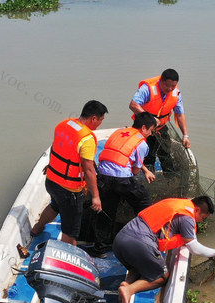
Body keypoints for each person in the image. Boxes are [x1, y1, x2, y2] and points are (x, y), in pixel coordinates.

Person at [112, 195, 215, 303]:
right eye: (203, 218)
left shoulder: (175, 203)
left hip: (119, 241)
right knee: (161, 277)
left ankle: (126, 283)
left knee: (138, 267)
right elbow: (194, 248)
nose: (200, 221)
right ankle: (129, 290)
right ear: (197, 209)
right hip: (140, 244)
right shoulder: (187, 217)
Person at [86, 112, 158, 256]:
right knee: (145, 205)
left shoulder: (119, 132)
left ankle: (100, 248)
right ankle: (145, 240)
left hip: (103, 177)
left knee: (106, 213)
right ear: (144, 128)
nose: (150, 134)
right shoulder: (142, 143)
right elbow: (136, 171)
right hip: (122, 181)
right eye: (151, 131)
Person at [42, 100, 107, 245]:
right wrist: (95, 197)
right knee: (70, 231)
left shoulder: (64, 124)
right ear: (94, 118)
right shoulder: (87, 139)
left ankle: (36, 230)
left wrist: (50, 165)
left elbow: (56, 147)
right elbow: (89, 169)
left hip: (51, 180)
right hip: (69, 190)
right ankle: (67, 257)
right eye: (101, 120)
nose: (100, 124)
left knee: (55, 205)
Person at [129, 69, 190, 170]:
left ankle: (170, 179)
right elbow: (133, 105)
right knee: (146, 154)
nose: (170, 89)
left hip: (160, 126)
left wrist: (185, 135)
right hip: (143, 127)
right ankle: (145, 176)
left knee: (166, 153)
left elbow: (179, 114)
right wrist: (150, 119)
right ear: (161, 80)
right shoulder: (148, 88)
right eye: (167, 85)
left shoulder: (176, 93)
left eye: (173, 86)